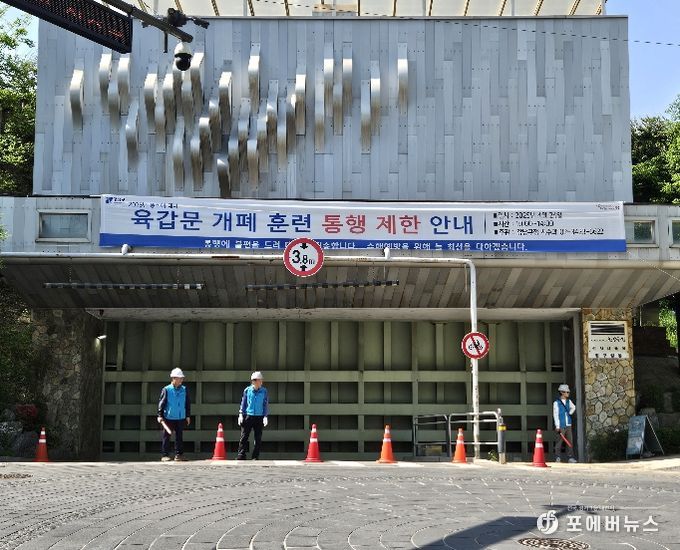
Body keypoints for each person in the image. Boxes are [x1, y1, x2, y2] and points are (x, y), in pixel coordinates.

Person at [157, 368, 191, 462]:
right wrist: (160, 415)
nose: (181, 380)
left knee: (179, 437)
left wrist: (187, 415)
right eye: (180, 378)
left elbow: (187, 403)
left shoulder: (184, 390)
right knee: (166, 436)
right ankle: (165, 455)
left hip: (180, 417)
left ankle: (179, 455)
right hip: (169, 417)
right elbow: (161, 403)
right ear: (174, 378)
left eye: (182, 378)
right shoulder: (166, 389)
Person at [237, 371, 269, 460]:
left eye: (260, 380)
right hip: (248, 415)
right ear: (254, 381)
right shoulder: (247, 390)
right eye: (259, 380)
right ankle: (241, 455)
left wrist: (265, 416)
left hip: (259, 417)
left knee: (258, 438)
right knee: (244, 437)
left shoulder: (264, 391)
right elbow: (243, 403)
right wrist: (241, 414)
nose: (260, 382)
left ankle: (255, 456)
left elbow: (265, 404)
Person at [553, 383, 577, 463]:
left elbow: (574, 407)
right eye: (567, 392)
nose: (568, 393)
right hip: (561, 425)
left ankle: (570, 457)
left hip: (568, 424)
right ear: (562, 392)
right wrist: (557, 426)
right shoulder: (556, 403)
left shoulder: (569, 401)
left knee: (569, 441)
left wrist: (570, 413)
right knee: (559, 442)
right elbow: (555, 415)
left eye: (568, 392)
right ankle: (558, 457)